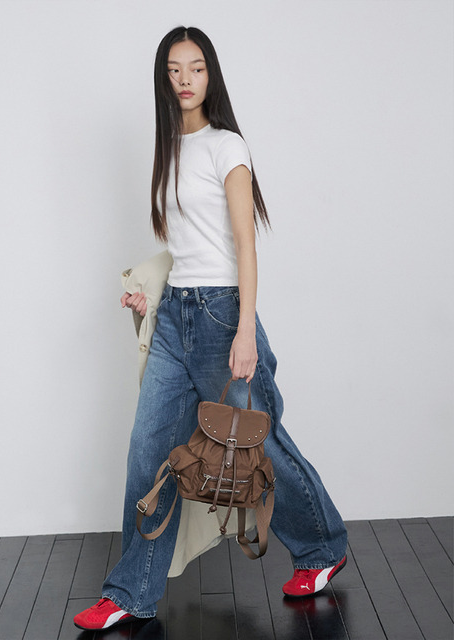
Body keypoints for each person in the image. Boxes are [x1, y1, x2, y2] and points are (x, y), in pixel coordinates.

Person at [74, 25, 347, 632]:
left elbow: (245, 246)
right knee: (149, 454)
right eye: (174, 70)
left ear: (211, 74)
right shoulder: (169, 147)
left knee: (260, 444)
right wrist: (150, 295)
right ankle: (131, 593)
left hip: (225, 316)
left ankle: (323, 548)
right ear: (163, 79)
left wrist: (245, 330)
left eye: (196, 68)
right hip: (176, 316)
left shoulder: (229, 147)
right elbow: (186, 249)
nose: (185, 79)